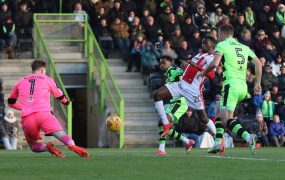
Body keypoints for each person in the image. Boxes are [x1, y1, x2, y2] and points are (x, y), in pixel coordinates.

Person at [198, 24, 262, 155]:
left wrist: (202, 73)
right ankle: (217, 143)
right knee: (220, 114)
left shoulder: (222, 45)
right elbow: (258, 63)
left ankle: (248, 138)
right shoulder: (244, 47)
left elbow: (215, 63)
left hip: (230, 85)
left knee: (226, 120)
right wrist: (257, 83)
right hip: (243, 87)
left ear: (221, 34)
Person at [7, 60, 89, 158]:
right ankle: (72, 145)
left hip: (28, 118)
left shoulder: (20, 82)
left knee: (33, 146)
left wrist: (25, 107)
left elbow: (10, 103)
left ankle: (47, 148)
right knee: (62, 135)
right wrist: (66, 102)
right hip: (44, 114)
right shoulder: (47, 79)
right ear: (42, 70)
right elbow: (59, 95)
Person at [153, 36, 217, 153]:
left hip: (188, 95)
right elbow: (189, 69)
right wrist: (187, 65)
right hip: (180, 90)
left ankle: (218, 140)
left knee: (204, 118)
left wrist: (194, 67)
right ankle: (184, 142)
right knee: (158, 100)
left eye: (205, 44)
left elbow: (211, 74)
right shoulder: (198, 55)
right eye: (202, 43)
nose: (203, 45)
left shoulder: (212, 58)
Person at [155, 55, 193, 155]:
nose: (161, 65)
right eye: (160, 63)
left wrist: (185, 67)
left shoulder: (174, 69)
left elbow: (183, 73)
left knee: (164, 122)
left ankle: (162, 149)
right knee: (161, 123)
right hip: (174, 103)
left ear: (170, 63)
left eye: (164, 62)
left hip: (180, 103)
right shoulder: (167, 74)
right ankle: (187, 141)